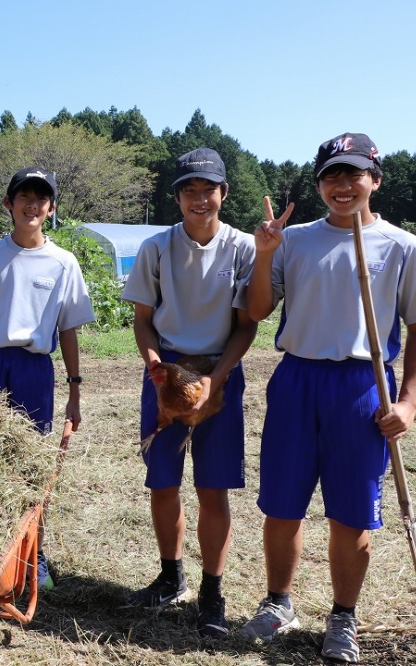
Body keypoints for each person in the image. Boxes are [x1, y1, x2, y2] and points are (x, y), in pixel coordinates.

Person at [241, 133, 416, 663]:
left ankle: (343, 617)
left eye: (353, 175)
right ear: (320, 183)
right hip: (297, 380)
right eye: (332, 175)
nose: (342, 186)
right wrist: (264, 255)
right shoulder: (296, 240)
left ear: (375, 179)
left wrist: (409, 402)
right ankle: (279, 602)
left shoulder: (401, 246)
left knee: (351, 515)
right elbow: (256, 312)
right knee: (282, 507)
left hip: (361, 386)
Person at [120, 148, 258, 638]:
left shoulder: (242, 248)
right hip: (167, 367)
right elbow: (142, 320)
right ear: (177, 196)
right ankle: (169, 574)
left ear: (223, 193)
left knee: (212, 487)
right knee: (162, 482)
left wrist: (213, 382)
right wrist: (159, 371)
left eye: (208, 190)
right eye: (189, 190)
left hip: (218, 369)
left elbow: (246, 327)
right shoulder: (157, 248)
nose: (199, 199)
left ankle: (212, 592)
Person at [0, 166, 95, 590]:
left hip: (33, 368)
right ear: (9, 204)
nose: (31, 205)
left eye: (40, 198)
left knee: (30, 464)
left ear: (50, 208)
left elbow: (67, 329)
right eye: (23, 197)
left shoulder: (63, 262)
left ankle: (34, 553)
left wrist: (75, 389)